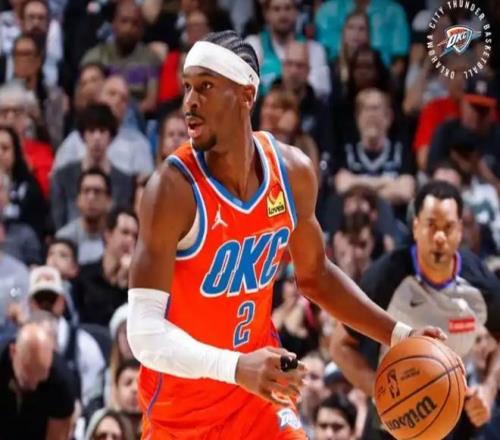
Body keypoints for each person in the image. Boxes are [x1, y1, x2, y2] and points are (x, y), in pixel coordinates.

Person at [127, 30, 447, 439]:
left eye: (205, 87)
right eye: (187, 86)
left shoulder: (292, 172)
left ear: (246, 95)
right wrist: (235, 367)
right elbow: (144, 334)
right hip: (182, 411)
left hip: (259, 393)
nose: (189, 101)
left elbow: (316, 276)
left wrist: (399, 334)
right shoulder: (171, 190)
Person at [331, 181, 500, 439]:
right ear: (416, 227)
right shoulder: (385, 277)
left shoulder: (480, 281)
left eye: (448, 227)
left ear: (460, 230)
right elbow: (340, 346)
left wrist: (488, 388)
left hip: (451, 415)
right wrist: (379, 391)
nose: (440, 237)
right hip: (393, 420)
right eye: (431, 225)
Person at [0, 322, 76, 439]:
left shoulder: (62, 383)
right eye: (27, 376)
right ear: (13, 352)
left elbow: (56, 436)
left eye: (41, 377)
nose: (34, 386)